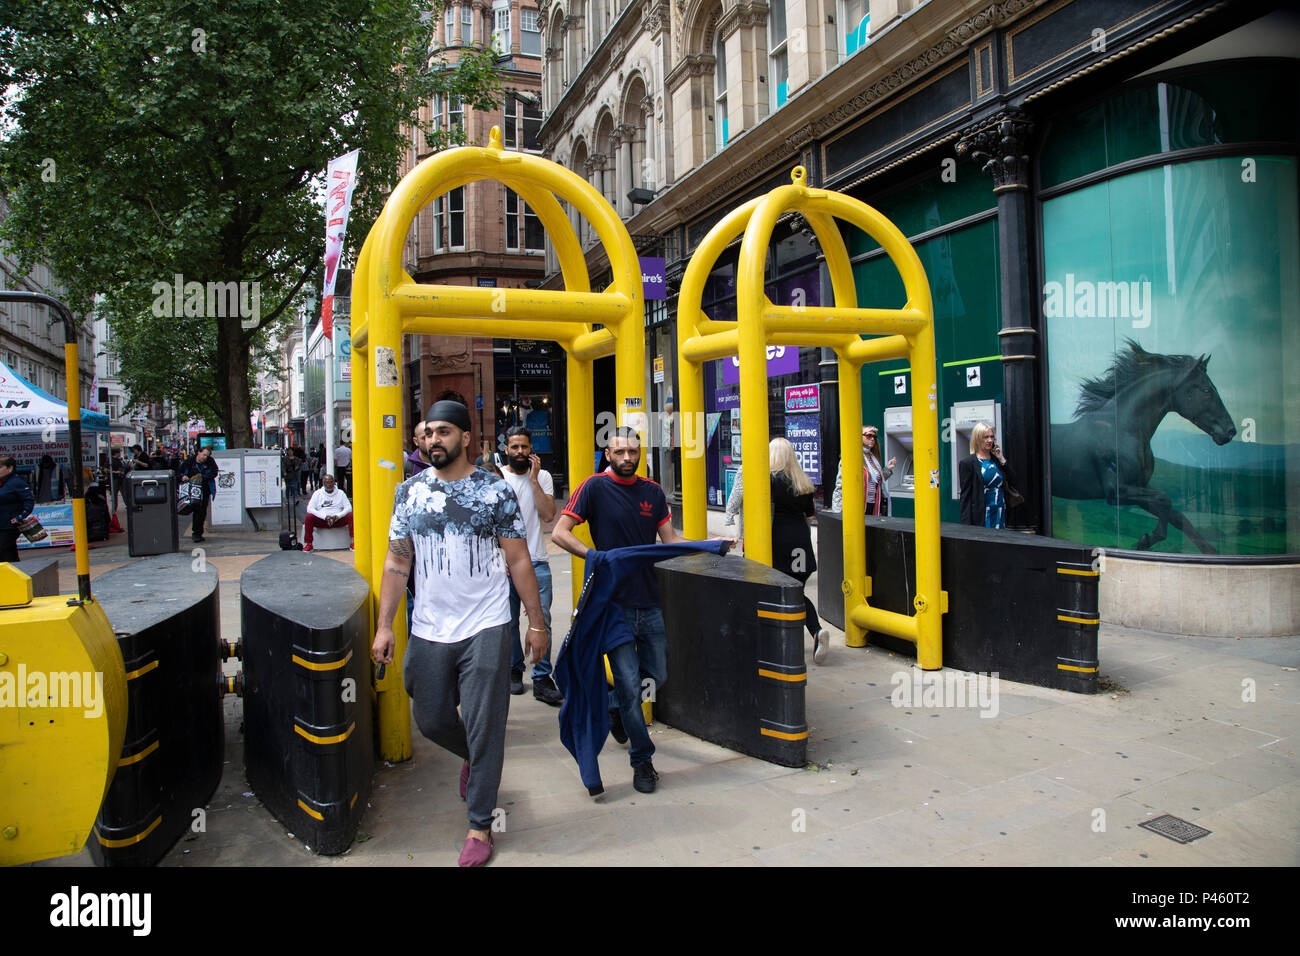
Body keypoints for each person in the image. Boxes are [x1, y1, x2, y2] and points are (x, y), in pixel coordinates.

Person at [372, 400, 546, 867]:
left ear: (466, 438)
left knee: (487, 724)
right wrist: (385, 625)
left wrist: (535, 622)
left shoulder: (494, 491)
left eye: (444, 432)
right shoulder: (408, 493)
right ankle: (475, 757)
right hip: (430, 626)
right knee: (429, 717)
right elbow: (396, 561)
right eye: (429, 432)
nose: (433, 440)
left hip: (488, 624)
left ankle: (480, 825)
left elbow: (518, 560)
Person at [550, 426, 727, 794]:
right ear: (608, 454)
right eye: (619, 452)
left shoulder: (653, 492)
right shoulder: (594, 487)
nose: (627, 458)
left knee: (657, 676)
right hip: (612, 605)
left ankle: (613, 706)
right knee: (631, 684)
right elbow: (559, 532)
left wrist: (710, 545)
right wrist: (594, 556)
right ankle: (642, 760)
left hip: (649, 602)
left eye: (633, 451)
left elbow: (670, 541)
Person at [724, 438, 830, 663]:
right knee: (796, 591)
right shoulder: (803, 482)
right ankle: (816, 631)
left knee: (769, 592)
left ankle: (775, 642)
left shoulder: (768, 481)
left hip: (776, 540)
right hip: (800, 541)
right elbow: (810, 516)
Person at [498, 426, 562, 705]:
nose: (520, 452)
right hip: (502, 565)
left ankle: (542, 677)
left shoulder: (543, 477)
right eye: (515, 447)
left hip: (537, 560)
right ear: (506, 450)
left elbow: (549, 515)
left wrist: (534, 480)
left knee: (542, 621)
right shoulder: (497, 477)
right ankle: (515, 670)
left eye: (524, 447)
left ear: (531, 450)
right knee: (509, 621)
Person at [959, 421, 1017, 529]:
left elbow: (1013, 480)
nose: (990, 440)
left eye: (992, 437)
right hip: (982, 515)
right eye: (986, 437)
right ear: (977, 439)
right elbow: (965, 496)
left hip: (1000, 512)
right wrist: (966, 527)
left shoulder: (997, 461)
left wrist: (1001, 459)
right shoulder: (968, 463)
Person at [832, 424, 897, 515]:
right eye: (868, 435)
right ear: (859, 436)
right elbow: (840, 485)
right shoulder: (851, 457)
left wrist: (888, 469)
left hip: (873, 506)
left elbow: (875, 480)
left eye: (874, 436)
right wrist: (838, 511)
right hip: (857, 506)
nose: (872, 439)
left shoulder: (873, 458)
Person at [302, 472, 353, 551]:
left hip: (337, 520)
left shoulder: (340, 493)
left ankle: (353, 542)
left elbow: (349, 508)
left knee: (351, 515)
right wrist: (325, 517)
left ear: (334, 482)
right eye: (326, 482)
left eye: (330, 482)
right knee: (309, 517)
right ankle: (309, 544)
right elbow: (310, 508)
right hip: (323, 520)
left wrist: (338, 516)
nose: (329, 484)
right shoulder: (317, 493)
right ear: (323, 483)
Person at [0, 455, 36, 562]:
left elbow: (29, 501)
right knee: (9, 552)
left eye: (0, 467)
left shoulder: (17, 482)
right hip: (1, 524)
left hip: (9, 525)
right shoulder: (2, 482)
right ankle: (16, 571)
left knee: (3, 548)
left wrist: (20, 516)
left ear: (10, 468)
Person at [181, 445, 219, 542]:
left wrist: (203, 477)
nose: (205, 457)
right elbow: (179, 472)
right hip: (190, 490)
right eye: (204, 455)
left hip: (204, 490)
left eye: (207, 456)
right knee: (192, 509)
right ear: (199, 452)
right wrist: (183, 477)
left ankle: (197, 534)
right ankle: (196, 532)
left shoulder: (210, 461)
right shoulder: (189, 461)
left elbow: (214, 472)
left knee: (201, 512)